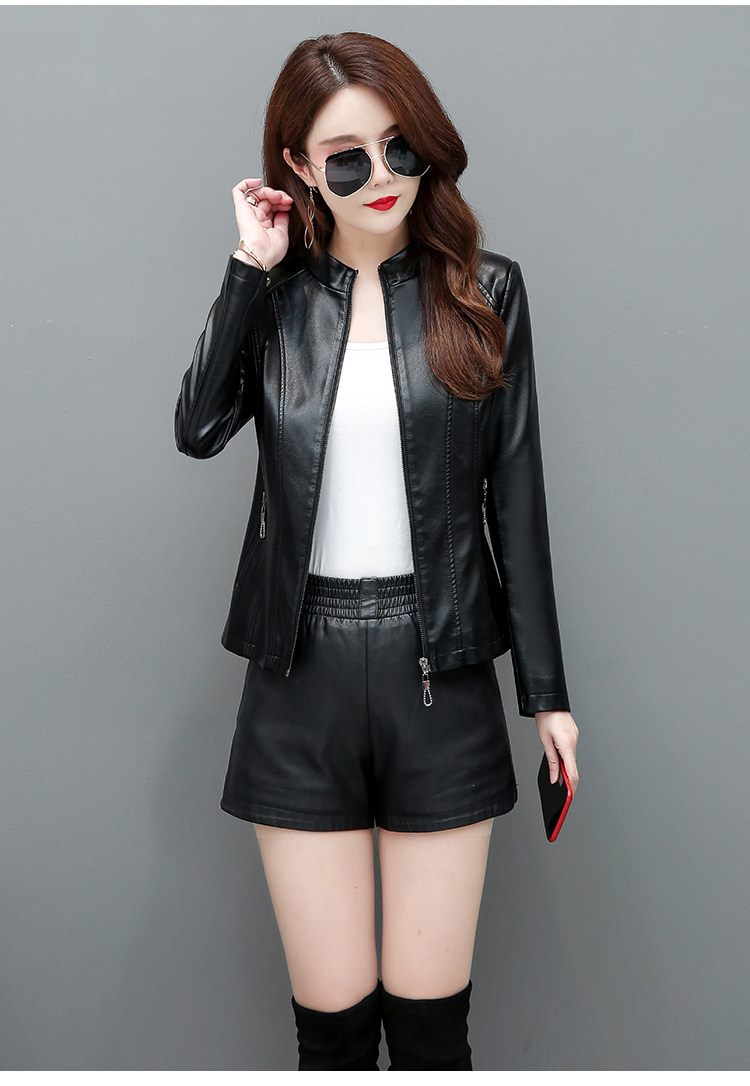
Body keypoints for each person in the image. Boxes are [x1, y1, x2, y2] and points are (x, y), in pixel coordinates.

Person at [174, 31, 580, 1072]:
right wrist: (247, 271)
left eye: (400, 146)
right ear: (299, 167)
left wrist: (547, 698)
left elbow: (516, 502)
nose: (384, 176)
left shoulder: (486, 290)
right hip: (296, 680)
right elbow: (198, 428)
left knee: (432, 1031)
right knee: (335, 1035)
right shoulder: (274, 299)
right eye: (346, 158)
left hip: (442, 673)